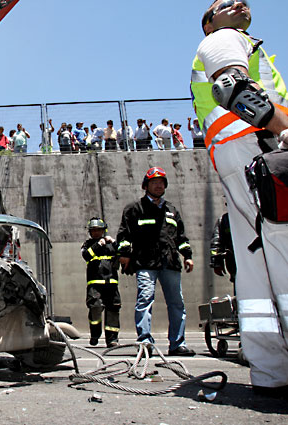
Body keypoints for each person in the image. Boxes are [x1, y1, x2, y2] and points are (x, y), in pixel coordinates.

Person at [192, 0, 288, 394]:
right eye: (224, 3)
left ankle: (271, 371)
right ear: (209, 22)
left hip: (242, 158)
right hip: (261, 148)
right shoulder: (225, 39)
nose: (239, 3)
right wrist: (283, 128)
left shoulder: (225, 40)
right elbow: (232, 88)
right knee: (282, 255)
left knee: (258, 267)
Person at [117, 167, 196, 356]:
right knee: (145, 299)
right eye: (154, 182)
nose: (158, 186)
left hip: (170, 262)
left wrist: (188, 255)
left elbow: (181, 237)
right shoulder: (135, 209)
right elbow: (124, 234)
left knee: (177, 303)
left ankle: (177, 344)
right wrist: (125, 254)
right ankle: (145, 342)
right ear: (146, 186)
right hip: (145, 262)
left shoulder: (172, 210)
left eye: (161, 183)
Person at [80, 217, 121, 348]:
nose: (97, 232)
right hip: (95, 284)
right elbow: (86, 255)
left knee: (113, 309)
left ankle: (112, 339)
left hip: (111, 283)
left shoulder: (110, 244)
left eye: (99, 230)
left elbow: (123, 252)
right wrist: (98, 244)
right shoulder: (87, 245)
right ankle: (95, 334)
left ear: (104, 230)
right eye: (94, 230)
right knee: (95, 308)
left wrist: (114, 242)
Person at [210, 212, 236, 284]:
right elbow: (216, 242)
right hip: (234, 266)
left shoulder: (253, 214)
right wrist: (216, 262)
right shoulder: (224, 220)